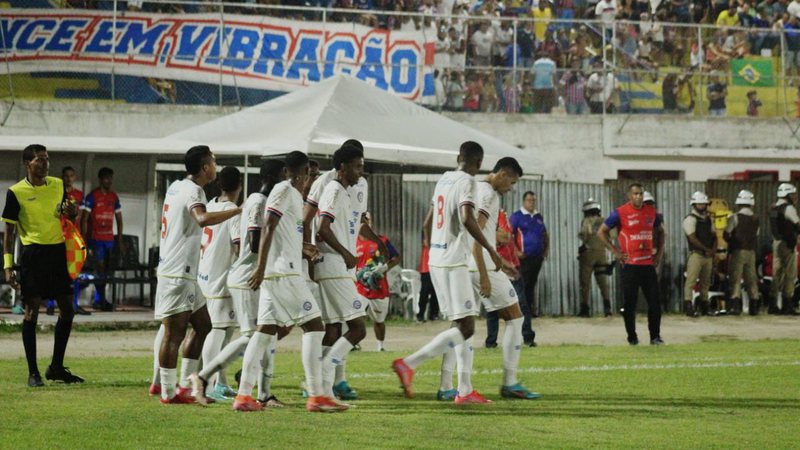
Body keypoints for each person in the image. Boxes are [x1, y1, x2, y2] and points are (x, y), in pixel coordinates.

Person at [392, 141, 513, 405]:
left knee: (462, 324)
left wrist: (431, 244)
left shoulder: (444, 179)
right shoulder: (468, 182)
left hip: (436, 259)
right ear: (479, 164)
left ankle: (463, 389)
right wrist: (491, 249)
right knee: (467, 326)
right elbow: (468, 218)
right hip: (453, 261)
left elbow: (427, 222)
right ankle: (409, 364)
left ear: (458, 157)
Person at [176, 160, 286, 405]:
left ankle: (238, 386)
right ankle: (208, 381)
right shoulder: (240, 208)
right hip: (230, 277)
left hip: (208, 274)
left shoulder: (214, 205)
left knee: (244, 332)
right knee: (227, 332)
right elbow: (245, 245)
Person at [154, 145, 241, 404]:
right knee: (173, 333)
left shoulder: (176, 187)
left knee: (204, 325)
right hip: (177, 272)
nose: (216, 167)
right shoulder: (194, 191)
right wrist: (236, 210)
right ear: (205, 167)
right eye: (213, 162)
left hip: (187, 273)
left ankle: (187, 385)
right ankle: (169, 392)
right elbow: (201, 218)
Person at [302, 140, 386, 401]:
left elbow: (356, 222)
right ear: (343, 166)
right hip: (333, 262)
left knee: (336, 327)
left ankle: (325, 385)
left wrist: (377, 241)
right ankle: (320, 378)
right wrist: (310, 255)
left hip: (342, 264)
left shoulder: (355, 186)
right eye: (357, 166)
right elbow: (319, 226)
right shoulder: (330, 186)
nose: (361, 171)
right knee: (355, 327)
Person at [2, 144, 84, 387]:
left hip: (58, 252)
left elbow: (68, 213)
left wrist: (72, 211)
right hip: (33, 254)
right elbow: (9, 231)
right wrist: (8, 266)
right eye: (40, 159)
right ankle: (33, 373)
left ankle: (56, 367)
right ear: (28, 163)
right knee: (32, 312)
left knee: (68, 310)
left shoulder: (58, 185)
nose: (45, 163)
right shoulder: (15, 192)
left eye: (47, 159)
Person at [460, 157, 539, 400]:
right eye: (511, 182)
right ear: (503, 174)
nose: (511, 188)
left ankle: (451, 385)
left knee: (461, 326)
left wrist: (502, 262)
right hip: (479, 265)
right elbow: (476, 235)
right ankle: (510, 382)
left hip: (468, 264)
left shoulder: (476, 189)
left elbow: (482, 234)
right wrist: (485, 273)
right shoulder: (489, 195)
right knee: (516, 317)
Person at [597, 183, 665, 346]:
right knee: (630, 304)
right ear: (629, 196)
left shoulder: (651, 212)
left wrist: (659, 255)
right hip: (630, 265)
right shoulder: (620, 213)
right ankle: (632, 337)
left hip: (648, 265)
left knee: (655, 302)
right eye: (635, 194)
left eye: (640, 194)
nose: (638, 197)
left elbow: (661, 232)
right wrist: (616, 252)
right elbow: (601, 232)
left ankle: (655, 337)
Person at [195, 166, 242, 402]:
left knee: (227, 329)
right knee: (219, 330)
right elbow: (238, 245)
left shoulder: (210, 205)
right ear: (239, 186)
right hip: (220, 277)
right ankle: (209, 384)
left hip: (203, 274)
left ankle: (220, 382)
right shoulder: (233, 210)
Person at [47, 166, 90, 316]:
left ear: (75, 177)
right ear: (62, 177)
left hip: (73, 238)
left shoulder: (79, 195)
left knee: (74, 271)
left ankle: (74, 303)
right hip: (58, 236)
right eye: (66, 176)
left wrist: (82, 237)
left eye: (71, 176)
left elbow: (83, 218)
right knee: (55, 271)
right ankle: (50, 304)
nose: (68, 178)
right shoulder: (56, 193)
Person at [355, 212, 401, 352]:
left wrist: (385, 268)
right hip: (359, 288)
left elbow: (396, 258)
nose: (365, 222)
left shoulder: (382, 240)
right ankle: (353, 343)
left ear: (371, 222)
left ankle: (380, 346)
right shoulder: (352, 241)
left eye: (367, 219)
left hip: (379, 288)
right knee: (355, 315)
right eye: (362, 219)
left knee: (379, 320)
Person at [81, 167, 123, 312]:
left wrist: (120, 240)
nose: (109, 181)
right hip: (96, 239)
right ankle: (97, 299)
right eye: (106, 178)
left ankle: (101, 299)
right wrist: (85, 240)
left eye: (110, 178)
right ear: (100, 179)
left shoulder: (114, 197)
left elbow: (119, 219)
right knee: (97, 269)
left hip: (109, 239)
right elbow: (84, 219)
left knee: (106, 272)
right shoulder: (92, 196)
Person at [510, 191, 548, 346]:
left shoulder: (538, 217)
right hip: (523, 260)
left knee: (530, 290)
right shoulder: (517, 216)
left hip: (536, 259)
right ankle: (523, 325)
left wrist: (545, 251)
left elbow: (545, 234)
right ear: (524, 201)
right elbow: (509, 236)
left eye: (534, 200)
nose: (532, 203)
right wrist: (517, 252)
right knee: (522, 292)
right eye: (529, 200)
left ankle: (528, 316)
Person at [484, 207, 520, 348]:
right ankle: (492, 341)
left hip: (507, 264)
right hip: (494, 268)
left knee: (516, 304)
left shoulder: (501, 214)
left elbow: (506, 238)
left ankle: (520, 339)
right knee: (495, 308)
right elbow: (504, 237)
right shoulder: (486, 215)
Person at [724, 190, 759, 316]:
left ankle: (735, 306)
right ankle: (754, 306)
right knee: (751, 279)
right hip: (751, 252)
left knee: (736, 278)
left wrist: (731, 242)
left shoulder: (734, 217)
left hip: (738, 251)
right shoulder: (756, 218)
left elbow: (726, 233)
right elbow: (756, 234)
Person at [682, 191, 717, 317]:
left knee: (705, 282)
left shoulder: (709, 219)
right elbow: (692, 238)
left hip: (708, 255)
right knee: (691, 281)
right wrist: (707, 249)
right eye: (700, 204)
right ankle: (688, 306)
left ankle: (704, 306)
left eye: (704, 204)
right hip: (696, 254)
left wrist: (713, 250)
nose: (702, 206)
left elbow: (714, 236)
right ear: (694, 204)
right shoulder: (690, 219)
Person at [577, 198, 612, 317]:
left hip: (588, 254)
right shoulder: (604, 221)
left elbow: (583, 235)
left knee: (585, 282)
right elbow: (612, 236)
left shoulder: (586, 221)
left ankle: (585, 309)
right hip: (602, 254)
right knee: (603, 282)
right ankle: (607, 309)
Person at [769, 183, 800, 315]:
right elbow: (797, 224)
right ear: (787, 195)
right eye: (792, 194)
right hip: (787, 243)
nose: (795, 197)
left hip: (777, 242)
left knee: (777, 275)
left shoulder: (775, 207)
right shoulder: (789, 208)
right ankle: (787, 305)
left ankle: (773, 304)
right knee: (789, 274)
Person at [416, 239, 440, 322]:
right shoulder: (429, 238)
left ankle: (434, 314)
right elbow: (426, 242)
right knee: (424, 292)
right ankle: (420, 314)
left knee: (435, 293)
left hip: (436, 267)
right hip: (426, 269)